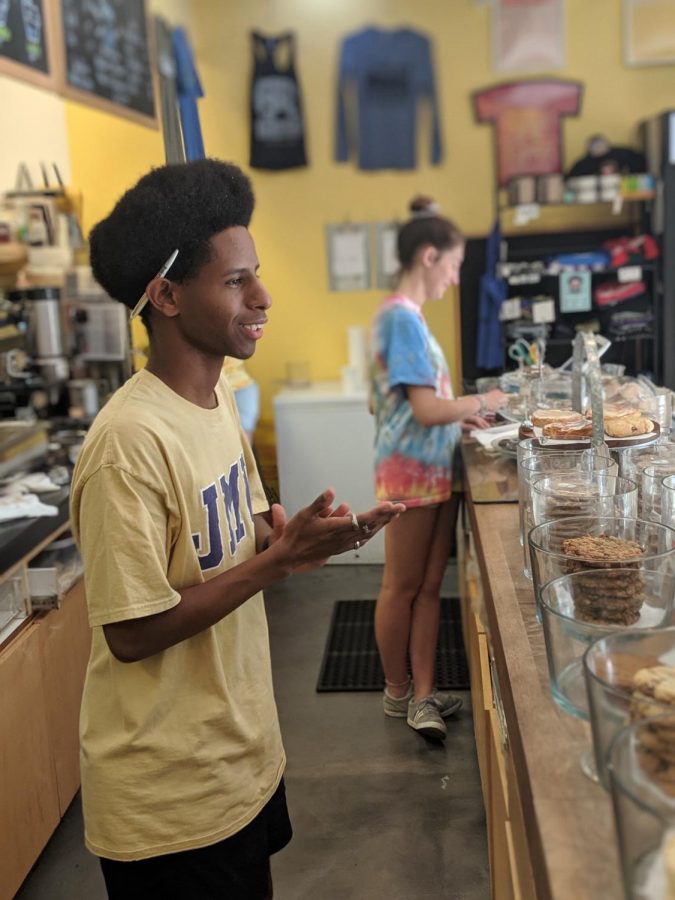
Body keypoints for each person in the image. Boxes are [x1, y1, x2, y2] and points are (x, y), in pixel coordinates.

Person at [70, 158, 404, 899]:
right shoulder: (127, 445)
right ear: (163, 295)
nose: (262, 297)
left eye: (255, 273)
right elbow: (130, 633)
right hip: (167, 797)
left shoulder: (216, 399)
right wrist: (278, 563)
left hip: (238, 757)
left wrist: (309, 538)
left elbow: (254, 534)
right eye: (233, 282)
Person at [368, 196, 506, 741]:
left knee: (428, 587)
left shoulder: (408, 319)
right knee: (401, 587)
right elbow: (425, 410)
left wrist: (459, 423)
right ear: (429, 257)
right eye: (452, 265)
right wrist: (481, 401)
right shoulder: (401, 319)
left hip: (430, 469)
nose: (454, 277)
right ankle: (397, 692)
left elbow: (413, 405)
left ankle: (423, 695)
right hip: (410, 478)